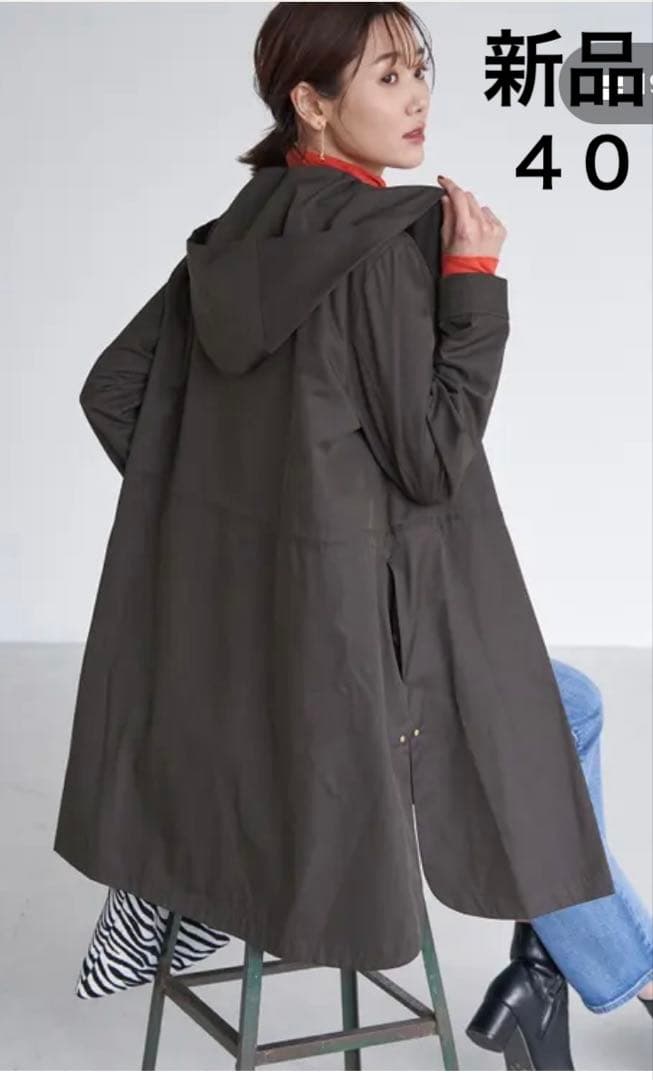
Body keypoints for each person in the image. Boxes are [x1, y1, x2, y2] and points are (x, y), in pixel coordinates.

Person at [58, 3, 652, 1069]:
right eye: (386, 75)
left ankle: (559, 974)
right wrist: (474, 286)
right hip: (352, 673)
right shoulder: (377, 245)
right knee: (557, 716)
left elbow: (114, 392)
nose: (417, 96)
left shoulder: (237, 235)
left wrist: (233, 539)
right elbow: (429, 460)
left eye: (419, 69)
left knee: (559, 708)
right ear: (311, 102)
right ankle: (571, 973)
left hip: (253, 660)